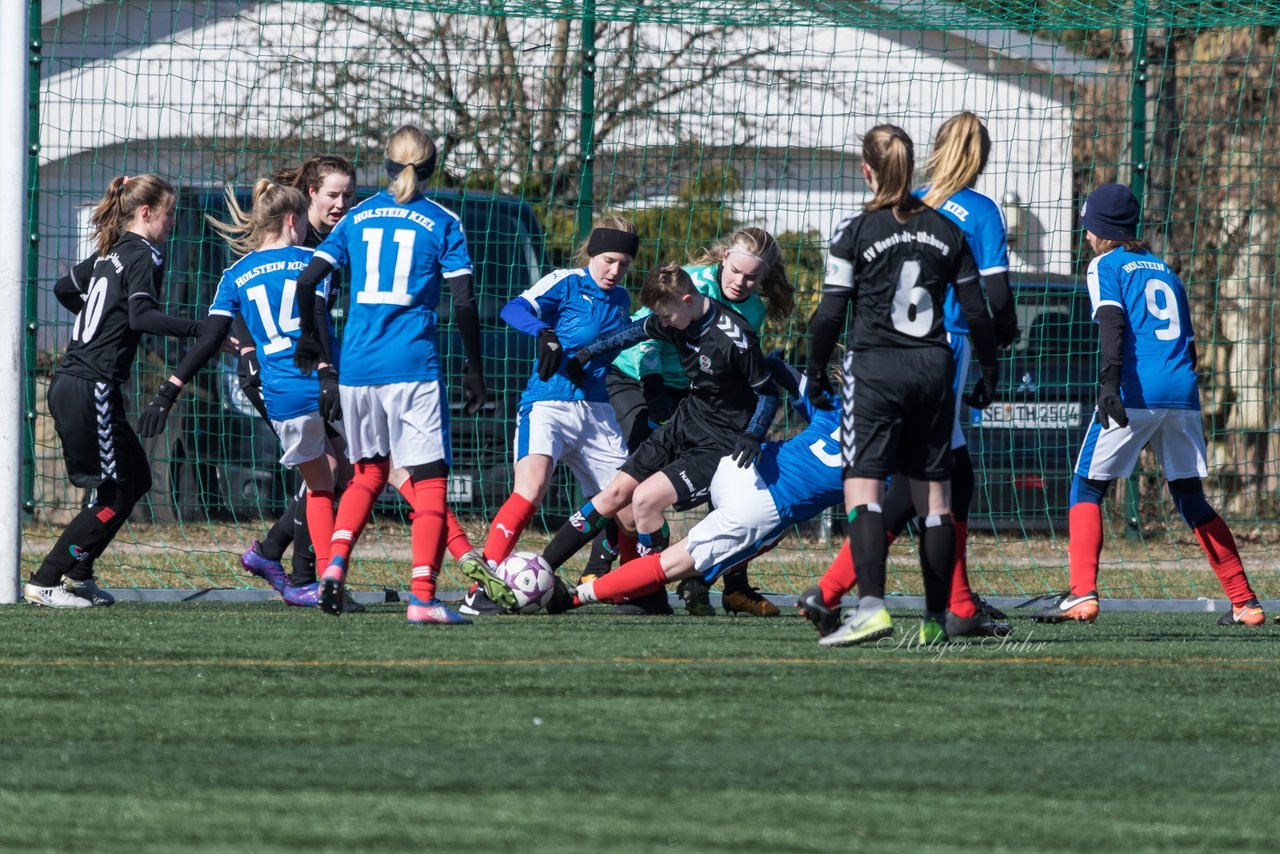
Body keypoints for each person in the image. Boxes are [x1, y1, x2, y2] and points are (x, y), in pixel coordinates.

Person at [814, 112, 1019, 639]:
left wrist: (815, 368)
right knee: (935, 484)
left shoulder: (901, 207)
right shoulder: (970, 216)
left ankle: (921, 603)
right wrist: (1000, 348)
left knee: (899, 480)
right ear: (981, 156)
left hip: (881, 358)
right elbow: (990, 302)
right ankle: (932, 607)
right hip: (941, 352)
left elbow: (834, 307)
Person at [1032, 183, 1266, 626]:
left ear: (1101, 230)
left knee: (1086, 486)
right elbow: (1189, 342)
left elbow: (1111, 321)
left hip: (1137, 389)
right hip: (1181, 391)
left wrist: (1108, 382)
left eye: (1087, 228)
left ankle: (1082, 593)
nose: (1085, 236)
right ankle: (1245, 601)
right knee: (1191, 498)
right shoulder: (1164, 269)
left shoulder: (1104, 264)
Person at [292, 124, 488, 625]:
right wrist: (474, 368)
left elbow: (311, 277)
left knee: (368, 473)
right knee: (429, 481)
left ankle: (334, 566)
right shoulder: (442, 220)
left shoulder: (356, 217)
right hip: (411, 365)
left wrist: (313, 345)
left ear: (386, 166)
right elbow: (464, 302)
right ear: (430, 168)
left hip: (356, 367)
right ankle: (423, 597)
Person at [137, 181, 345, 599]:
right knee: (358, 474)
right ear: (292, 221)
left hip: (280, 394)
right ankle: (325, 579)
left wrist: (170, 389)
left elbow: (210, 339)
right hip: (323, 386)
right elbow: (318, 321)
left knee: (329, 475)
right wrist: (327, 373)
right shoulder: (315, 260)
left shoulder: (235, 274)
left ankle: (286, 561)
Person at [533, 263, 779, 585]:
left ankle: (647, 588)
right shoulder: (676, 320)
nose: (662, 323)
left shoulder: (735, 337)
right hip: (686, 420)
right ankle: (539, 569)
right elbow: (630, 334)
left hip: (721, 441)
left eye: (665, 316)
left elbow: (767, 392)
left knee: (645, 499)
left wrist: (753, 433)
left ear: (687, 299)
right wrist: (585, 354)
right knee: (615, 493)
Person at [540, 358, 840, 612]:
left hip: (735, 467)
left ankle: (690, 582)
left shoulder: (836, 410)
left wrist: (760, 360)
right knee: (670, 564)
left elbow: (782, 369)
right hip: (759, 507)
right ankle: (576, 598)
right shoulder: (881, 465)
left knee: (644, 502)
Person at [25, 174, 201, 608]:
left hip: (74, 383)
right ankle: (46, 580)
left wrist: (99, 322)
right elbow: (141, 317)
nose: (172, 222)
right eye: (169, 213)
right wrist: (199, 329)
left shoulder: (111, 253)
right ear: (146, 213)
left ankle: (79, 573)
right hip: (91, 386)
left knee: (135, 478)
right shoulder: (144, 254)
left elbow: (66, 287)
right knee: (115, 491)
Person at [599, 227, 795, 616]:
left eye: (753, 277)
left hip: (698, 398)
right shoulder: (689, 282)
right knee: (634, 481)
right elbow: (644, 332)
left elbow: (740, 372)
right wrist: (652, 384)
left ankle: (723, 585)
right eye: (736, 272)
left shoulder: (751, 308)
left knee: (731, 482)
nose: (742, 283)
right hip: (641, 378)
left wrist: (750, 426)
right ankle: (605, 569)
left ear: (765, 275)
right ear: (724, 259)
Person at [459, 217, 639, 616]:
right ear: (592, 253)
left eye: (624, 264)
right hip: (549, 405)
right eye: (609, 260)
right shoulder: (567, 281)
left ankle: (632, 588)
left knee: (628, 509)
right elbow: (514, 308)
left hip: (597, 411)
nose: (615, 270)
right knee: (531, 490)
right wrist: (545, 333)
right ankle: (482, 589)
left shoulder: (623, 299)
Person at [230, 156, 358, 605]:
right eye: (333, 195)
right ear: (309, 199)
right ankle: (307, 576)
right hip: (285, 376)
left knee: (336, 471)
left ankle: (274, 555)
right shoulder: (296, 245)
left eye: (348, 195)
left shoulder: (335, 241)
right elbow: (235, 306)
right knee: (330, 471)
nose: (341, 204)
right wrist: (246, 348)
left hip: (315, 370)